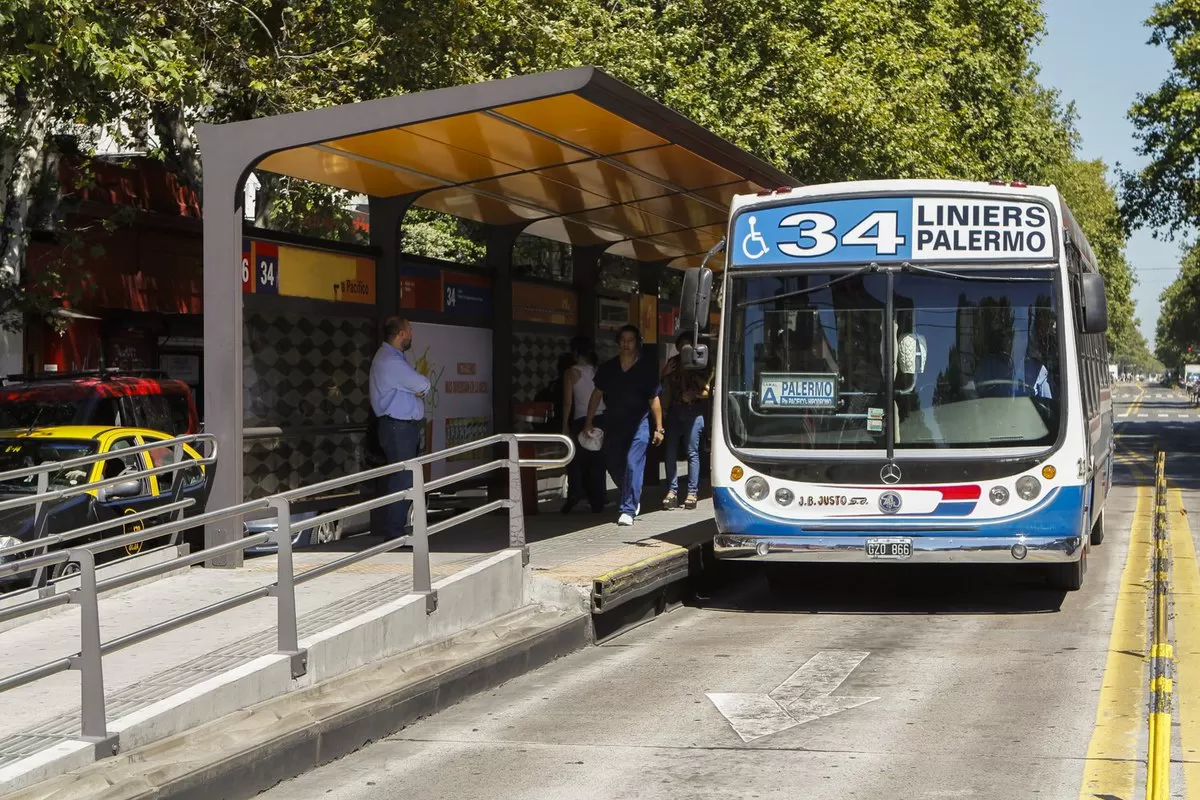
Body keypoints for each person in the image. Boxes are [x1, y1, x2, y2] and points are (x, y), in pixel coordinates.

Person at [584, 325, 664, 526]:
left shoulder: (646, 369)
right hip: (615, 423)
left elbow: (654, 399)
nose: (627, 344)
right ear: (618, 342)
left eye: (631, 340)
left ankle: (628, 509)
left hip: (640, 425)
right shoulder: (609, 368)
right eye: (623, 340)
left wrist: (659, 427)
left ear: (636, 342)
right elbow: (596, 394)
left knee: (632, 462)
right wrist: (588, 421)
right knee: (611, 462)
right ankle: (631, 492)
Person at [369, 317, 430, 539]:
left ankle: (393, 530)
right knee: (402, 479)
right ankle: (393, 533)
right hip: (398, 428)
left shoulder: (394, 359)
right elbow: (423, 384)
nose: (412, 335)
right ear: (400, 334)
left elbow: (415, 386)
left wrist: (411, 389)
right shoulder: (390, 361)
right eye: (410, 330)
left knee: (401, 478)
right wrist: (415, 388)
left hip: (400, 428)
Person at [661, 332, 711, 510]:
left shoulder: (701, 362)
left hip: (693, 411)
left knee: (692, 452)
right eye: (682, 346)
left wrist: (693, 395)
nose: (685, 349)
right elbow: (661, 387)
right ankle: (671, 492)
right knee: (670, 453)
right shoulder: (673, 363)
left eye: (688, 345)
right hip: (674, 411)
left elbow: (708, 390)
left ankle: (692, 493)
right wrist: (664, 373)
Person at [561, 336, 606, 514]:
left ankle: (575, 493)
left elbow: (567, 402)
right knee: (597, 461)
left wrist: (564, 424)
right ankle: (598, 499)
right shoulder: (597, 371)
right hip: (601, 417)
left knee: (575, 460)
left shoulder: (571, 373)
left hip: (581, 419)